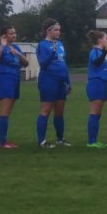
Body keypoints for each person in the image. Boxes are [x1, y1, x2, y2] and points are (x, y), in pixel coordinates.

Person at [35, 17, 72, 148]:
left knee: (60, 111)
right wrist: (52, 53)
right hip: (48, 81)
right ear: (48, 31)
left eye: (59, 30)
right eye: (56, 30)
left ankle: (60, 139)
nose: (58, 32)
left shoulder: (60, 44)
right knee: (46, 110)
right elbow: (43, 64)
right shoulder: (42, 45)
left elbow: (63, 63)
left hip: (61, 82)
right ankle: (41, 141)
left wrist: (68, 82)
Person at [0, 24, 26, 149]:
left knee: (8, 111)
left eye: (15, 33)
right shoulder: (1, 47)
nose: (14, 35)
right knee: (4, 111)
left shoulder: (16, 47)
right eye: (11, 33)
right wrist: (2, 45)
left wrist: (18, 54)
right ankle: (3, 142)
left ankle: (4, 139)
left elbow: (26, 63)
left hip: (16, 79)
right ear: (4, 36)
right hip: (5, 79)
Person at [85, 30, 107, 148]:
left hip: (101, 83)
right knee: (95, 112)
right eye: (106, 38)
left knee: (98, 113)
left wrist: (104, 52)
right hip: (96, 83)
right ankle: (91, 141)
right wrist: (105, 51)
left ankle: (94, 140)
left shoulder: (99, 52)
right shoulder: (95, 51)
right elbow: (96, 63)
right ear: (100, 40)